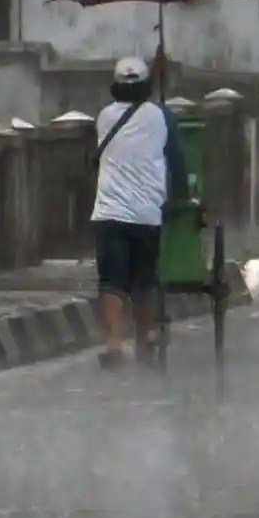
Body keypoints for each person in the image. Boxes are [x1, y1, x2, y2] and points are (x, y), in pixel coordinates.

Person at [91, 57, 189, 368]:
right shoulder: (163, 117)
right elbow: (176, 161)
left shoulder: (104, 117)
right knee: (143, 281)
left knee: (111, 282)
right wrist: (183, 197)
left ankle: (113, 344)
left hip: (108, 213)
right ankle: (144, 341)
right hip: (147, 215)